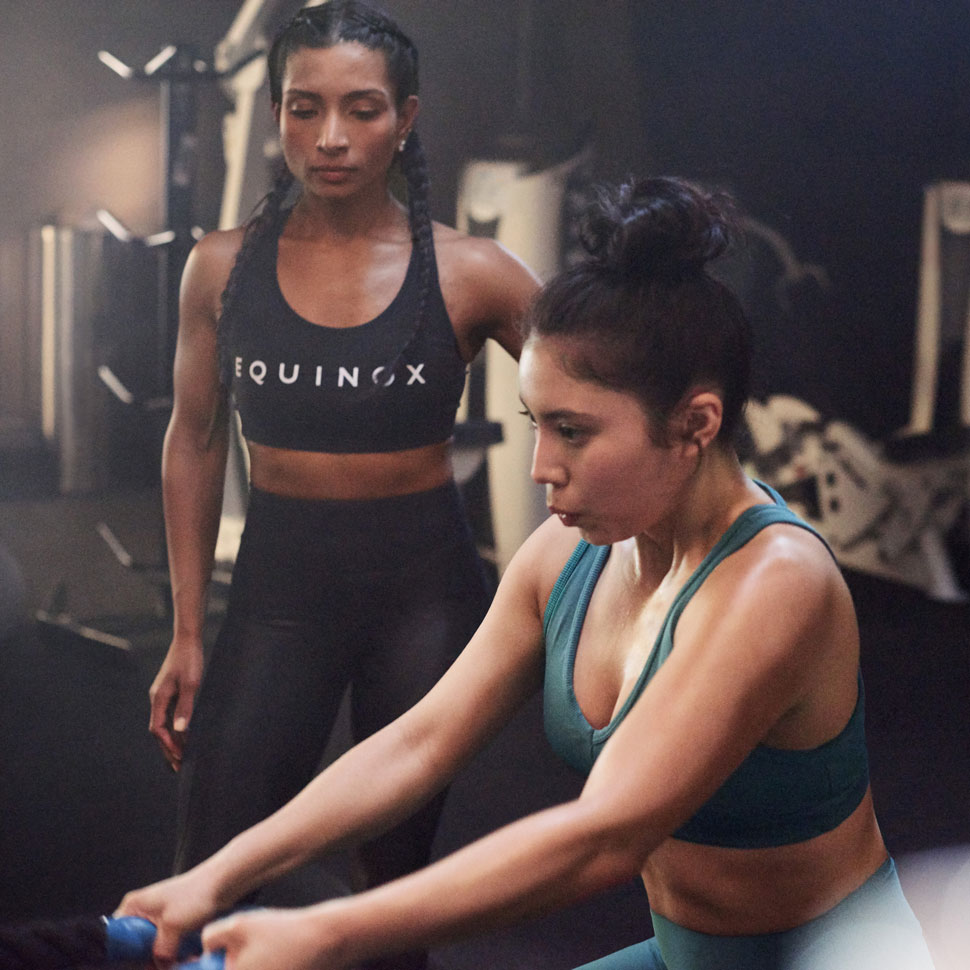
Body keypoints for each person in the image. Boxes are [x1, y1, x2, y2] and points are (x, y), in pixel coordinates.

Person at [120, 176, 935, 970]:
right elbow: (420, 743)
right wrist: (216, 877)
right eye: (535, 424)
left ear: (695, 424)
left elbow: (604, 839)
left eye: (573, 432)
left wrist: (328, 934)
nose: (542, 466)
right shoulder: (565, 557)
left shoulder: (775, 583)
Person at [148, 4, 538, 967]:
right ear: (277, 114)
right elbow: (194, 438)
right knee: (211, 858)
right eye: (303, 107)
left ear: (405, 119)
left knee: (391, 876)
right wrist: (189, 630)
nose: (329, 137)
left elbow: (597, 402)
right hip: (277, 591)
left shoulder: (475, 274)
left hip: (424, 596)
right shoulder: (219, 268)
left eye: (361, 109)